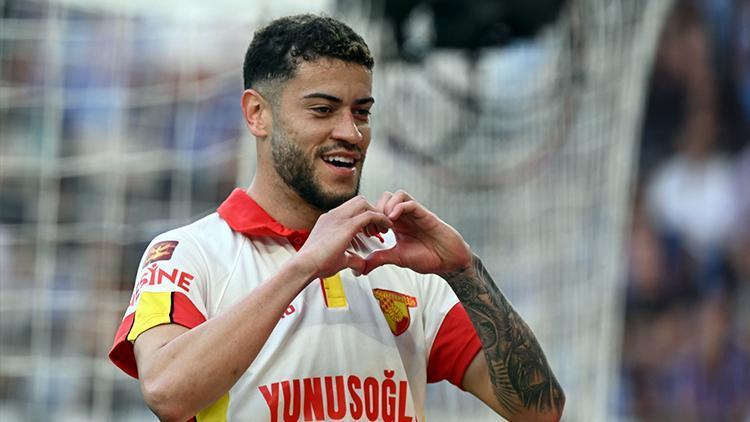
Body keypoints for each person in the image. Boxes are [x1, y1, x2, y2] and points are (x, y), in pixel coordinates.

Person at [109, 14, 564, 422]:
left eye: (361, 112)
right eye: (323, 110)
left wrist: (465, 271)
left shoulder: (399, 259)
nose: (351, 133)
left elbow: (538, 410)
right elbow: (167, 393)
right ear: (257, 114)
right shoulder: (189, 253)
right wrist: (304, 266)